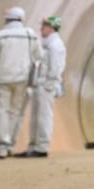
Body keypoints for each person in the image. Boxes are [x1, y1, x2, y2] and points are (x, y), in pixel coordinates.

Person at [0, 6, 41, 160]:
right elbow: (39, 55)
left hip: (0, 80)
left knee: (0, 112)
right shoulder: (30, 35)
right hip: (23, 80)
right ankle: (9, 145)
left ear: (7, 19)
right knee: (15, 112)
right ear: (21, 19)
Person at [24, 15, 67, 158]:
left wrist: (50, 84)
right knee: (36, 117)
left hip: (46, 85)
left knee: (44, 117)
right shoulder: (47, 43)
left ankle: (42, 147)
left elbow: (55, 67)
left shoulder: (55, 45)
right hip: (40, 84)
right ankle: (33, 146)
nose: (41, 29)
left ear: (50, 28)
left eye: (43, 26)